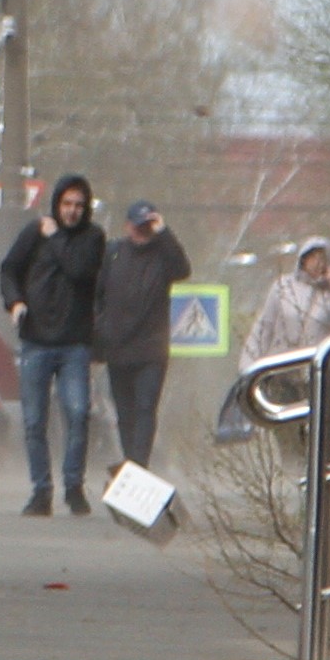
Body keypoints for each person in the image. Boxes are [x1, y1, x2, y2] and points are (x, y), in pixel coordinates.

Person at [0, 174, 106, 516]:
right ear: (56, 204)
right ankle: (41, 490)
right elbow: (9, 269)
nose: (72, 212)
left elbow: (78, 270)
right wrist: (14, 302)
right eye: (66, 205)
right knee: (33, 420)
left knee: (77, 414)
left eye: (78, 206)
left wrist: (56, 236)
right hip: (35, 341)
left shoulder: (93, 238)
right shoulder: (35, 232)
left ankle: (73, 486)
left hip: (75, 342)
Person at [91, 200, 192, 472]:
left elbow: (183, 269)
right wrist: (99, 333)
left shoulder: (163, 256)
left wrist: (164, 232)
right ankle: (131, 461)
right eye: (138, 225)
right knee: (124, 413)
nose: (142, 232)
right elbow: (96, 295)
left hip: (151, 350)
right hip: (118, 348)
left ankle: (138, 465)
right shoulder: (113, 253)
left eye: (147, 226)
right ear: (127, 226)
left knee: (146, 408)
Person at [239, 237, 330, 372]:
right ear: (303, 259)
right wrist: (248, 366)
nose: (317, 263)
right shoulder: (283, 287)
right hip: (281, 368)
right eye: (313, 257)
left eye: (322, 259)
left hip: (315, 372)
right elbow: (264, 326)